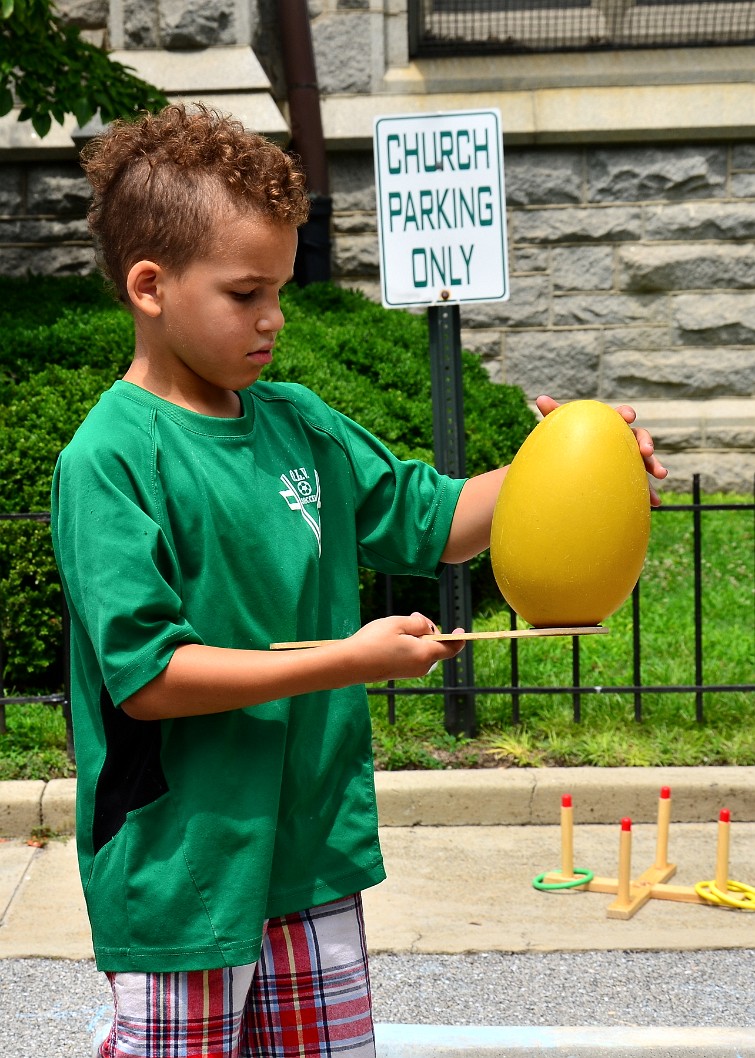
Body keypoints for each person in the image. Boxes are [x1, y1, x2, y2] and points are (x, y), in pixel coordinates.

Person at [51, 103, 667, 1058]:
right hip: (184, 868)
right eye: (245, 292)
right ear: (150, 287)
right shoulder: (111, 458)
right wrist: (350, 661)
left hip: (309, 854)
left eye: (281, 290)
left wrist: (571, 467)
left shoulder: (299, 423)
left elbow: (440, 524)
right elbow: (149, 678)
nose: (274, 319)